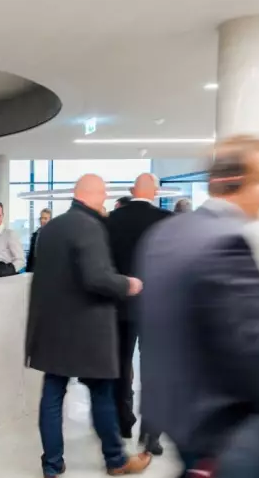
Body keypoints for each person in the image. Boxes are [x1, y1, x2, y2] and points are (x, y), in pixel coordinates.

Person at [138, 136, 259, 477]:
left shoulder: (166, 234)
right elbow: (252, 349)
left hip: (175, 414)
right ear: (238, 182)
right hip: (225, 429)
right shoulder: (227, 243)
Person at [25, 174, 151, 477]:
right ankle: (116, 460)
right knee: (102, 393)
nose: (105, 198)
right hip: (87, 332)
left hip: (53, 329)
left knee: (52, 396)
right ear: (90, 194)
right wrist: (128, 284)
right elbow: (96, 278)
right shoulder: (90, 227)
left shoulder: (50, 228)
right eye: (103, 192)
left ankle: (52, 465)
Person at [106, 173, 172, 454]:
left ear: (132, 190)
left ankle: (123, 423)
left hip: (120, 303)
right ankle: (152, 434)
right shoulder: (167, 220)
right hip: (156, 307)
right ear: (155, 192)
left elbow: (105, 264)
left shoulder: (112, 220)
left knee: (121, 366)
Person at [26, 207, 51, 273]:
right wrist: (28, 270)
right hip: (34, 267)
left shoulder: (54, 235)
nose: (42, 221)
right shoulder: (35, 234)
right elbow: (31, 254)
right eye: (41, 218)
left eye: (45, 218)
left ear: (50, 220)